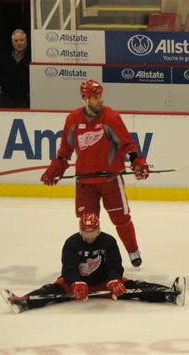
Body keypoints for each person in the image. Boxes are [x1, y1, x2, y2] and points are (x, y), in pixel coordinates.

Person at [40, 79, 150, 268]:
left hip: (110, 180)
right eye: (94, 97)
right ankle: (91, 259)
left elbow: (127, 144)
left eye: (100, 96)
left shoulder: (111, 117)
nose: (99, 100)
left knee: (121, 219)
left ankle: (133, 251)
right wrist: (55, 169)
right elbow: (65, 151)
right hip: (85, 183)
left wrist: (137, 162)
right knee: (88, 223)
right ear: (85, 98)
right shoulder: (73, 119)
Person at [1, 213, 186, 314]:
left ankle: (169, 294)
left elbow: (115, 264)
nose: (89, 236)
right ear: (80, 230)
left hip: (104, 281)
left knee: (135, 288)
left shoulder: (108, 241)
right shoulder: (72, 242)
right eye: (86, 233)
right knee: (50, 291)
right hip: (76, 283)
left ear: (98, 229)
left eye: (93, 232)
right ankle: (24, 302)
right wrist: (76, 282)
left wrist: (114, 280)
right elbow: (68, 267)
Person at [0, 29, 30, 108]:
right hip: (7, 98)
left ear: (26, 41)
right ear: (12, 42)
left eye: (21, 40)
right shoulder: (4, 57)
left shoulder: (31, 57)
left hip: (26, 99)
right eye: (16, 40)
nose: (19, 43)